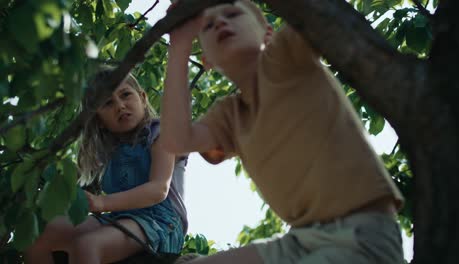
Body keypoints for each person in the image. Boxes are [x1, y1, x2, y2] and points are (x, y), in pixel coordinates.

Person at [161, 1, 405, 263]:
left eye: (232, 14)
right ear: (206, 59)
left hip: (362, 228)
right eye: (207, 26)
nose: (220, 22)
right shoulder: (230, 114)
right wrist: (180, 45)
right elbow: (177, 140)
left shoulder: (287, 55)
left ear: (268, 33)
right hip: (301, 240)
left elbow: (317, 13)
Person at [25, 69, 188, 264]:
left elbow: (158, 189)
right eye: (108, 103)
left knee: (87, 245)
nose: (119, 106)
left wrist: (102, 202)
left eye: (125, 94)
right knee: (40, 233)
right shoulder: (108, 152)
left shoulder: (160, 133)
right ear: (99, 120)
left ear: (143, 98)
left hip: (161, 221)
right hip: (120, 218)